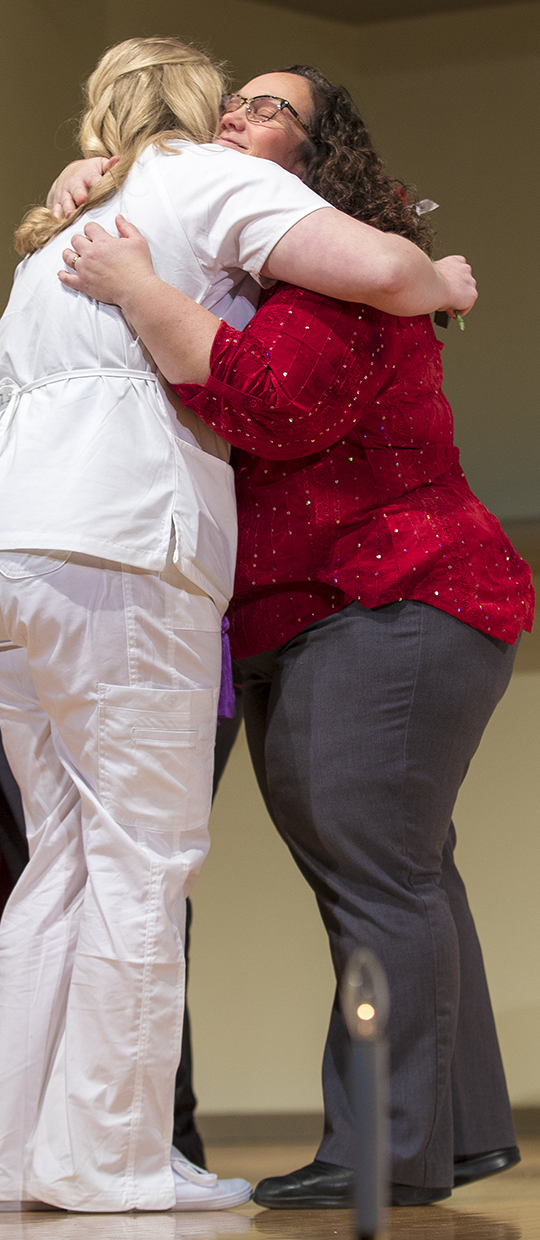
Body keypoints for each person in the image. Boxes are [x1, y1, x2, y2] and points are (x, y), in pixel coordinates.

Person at [0, 38, 477, 1215]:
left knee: (62, 863)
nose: (242, 120)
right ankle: (111, 1158)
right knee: (144, 855)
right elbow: (382, 265)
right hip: (107, 541)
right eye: (230, 101)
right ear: (196, 116)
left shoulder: (61, 224)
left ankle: (20, 1155)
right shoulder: (202, 180)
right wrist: (440, 278)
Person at [57, 64, 533, 1209]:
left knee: (373, 874)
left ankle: (383, 1154)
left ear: (319, 156)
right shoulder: (256, 265)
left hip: (392, 594)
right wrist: (97, 186)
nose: (234, 116)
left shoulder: (331, 264)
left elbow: (278, 405)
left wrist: (129, 282)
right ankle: (452, 1134)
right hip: (329, 611)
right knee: (403, 872)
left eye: (267, 109)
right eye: (230, 103)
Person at [0, 442, 244, 1169]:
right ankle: (114, 1145)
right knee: (111, 884)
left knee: (109, 882)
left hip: (130, 618)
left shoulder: (140, 346)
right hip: (100, 622)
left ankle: (114, 1145)